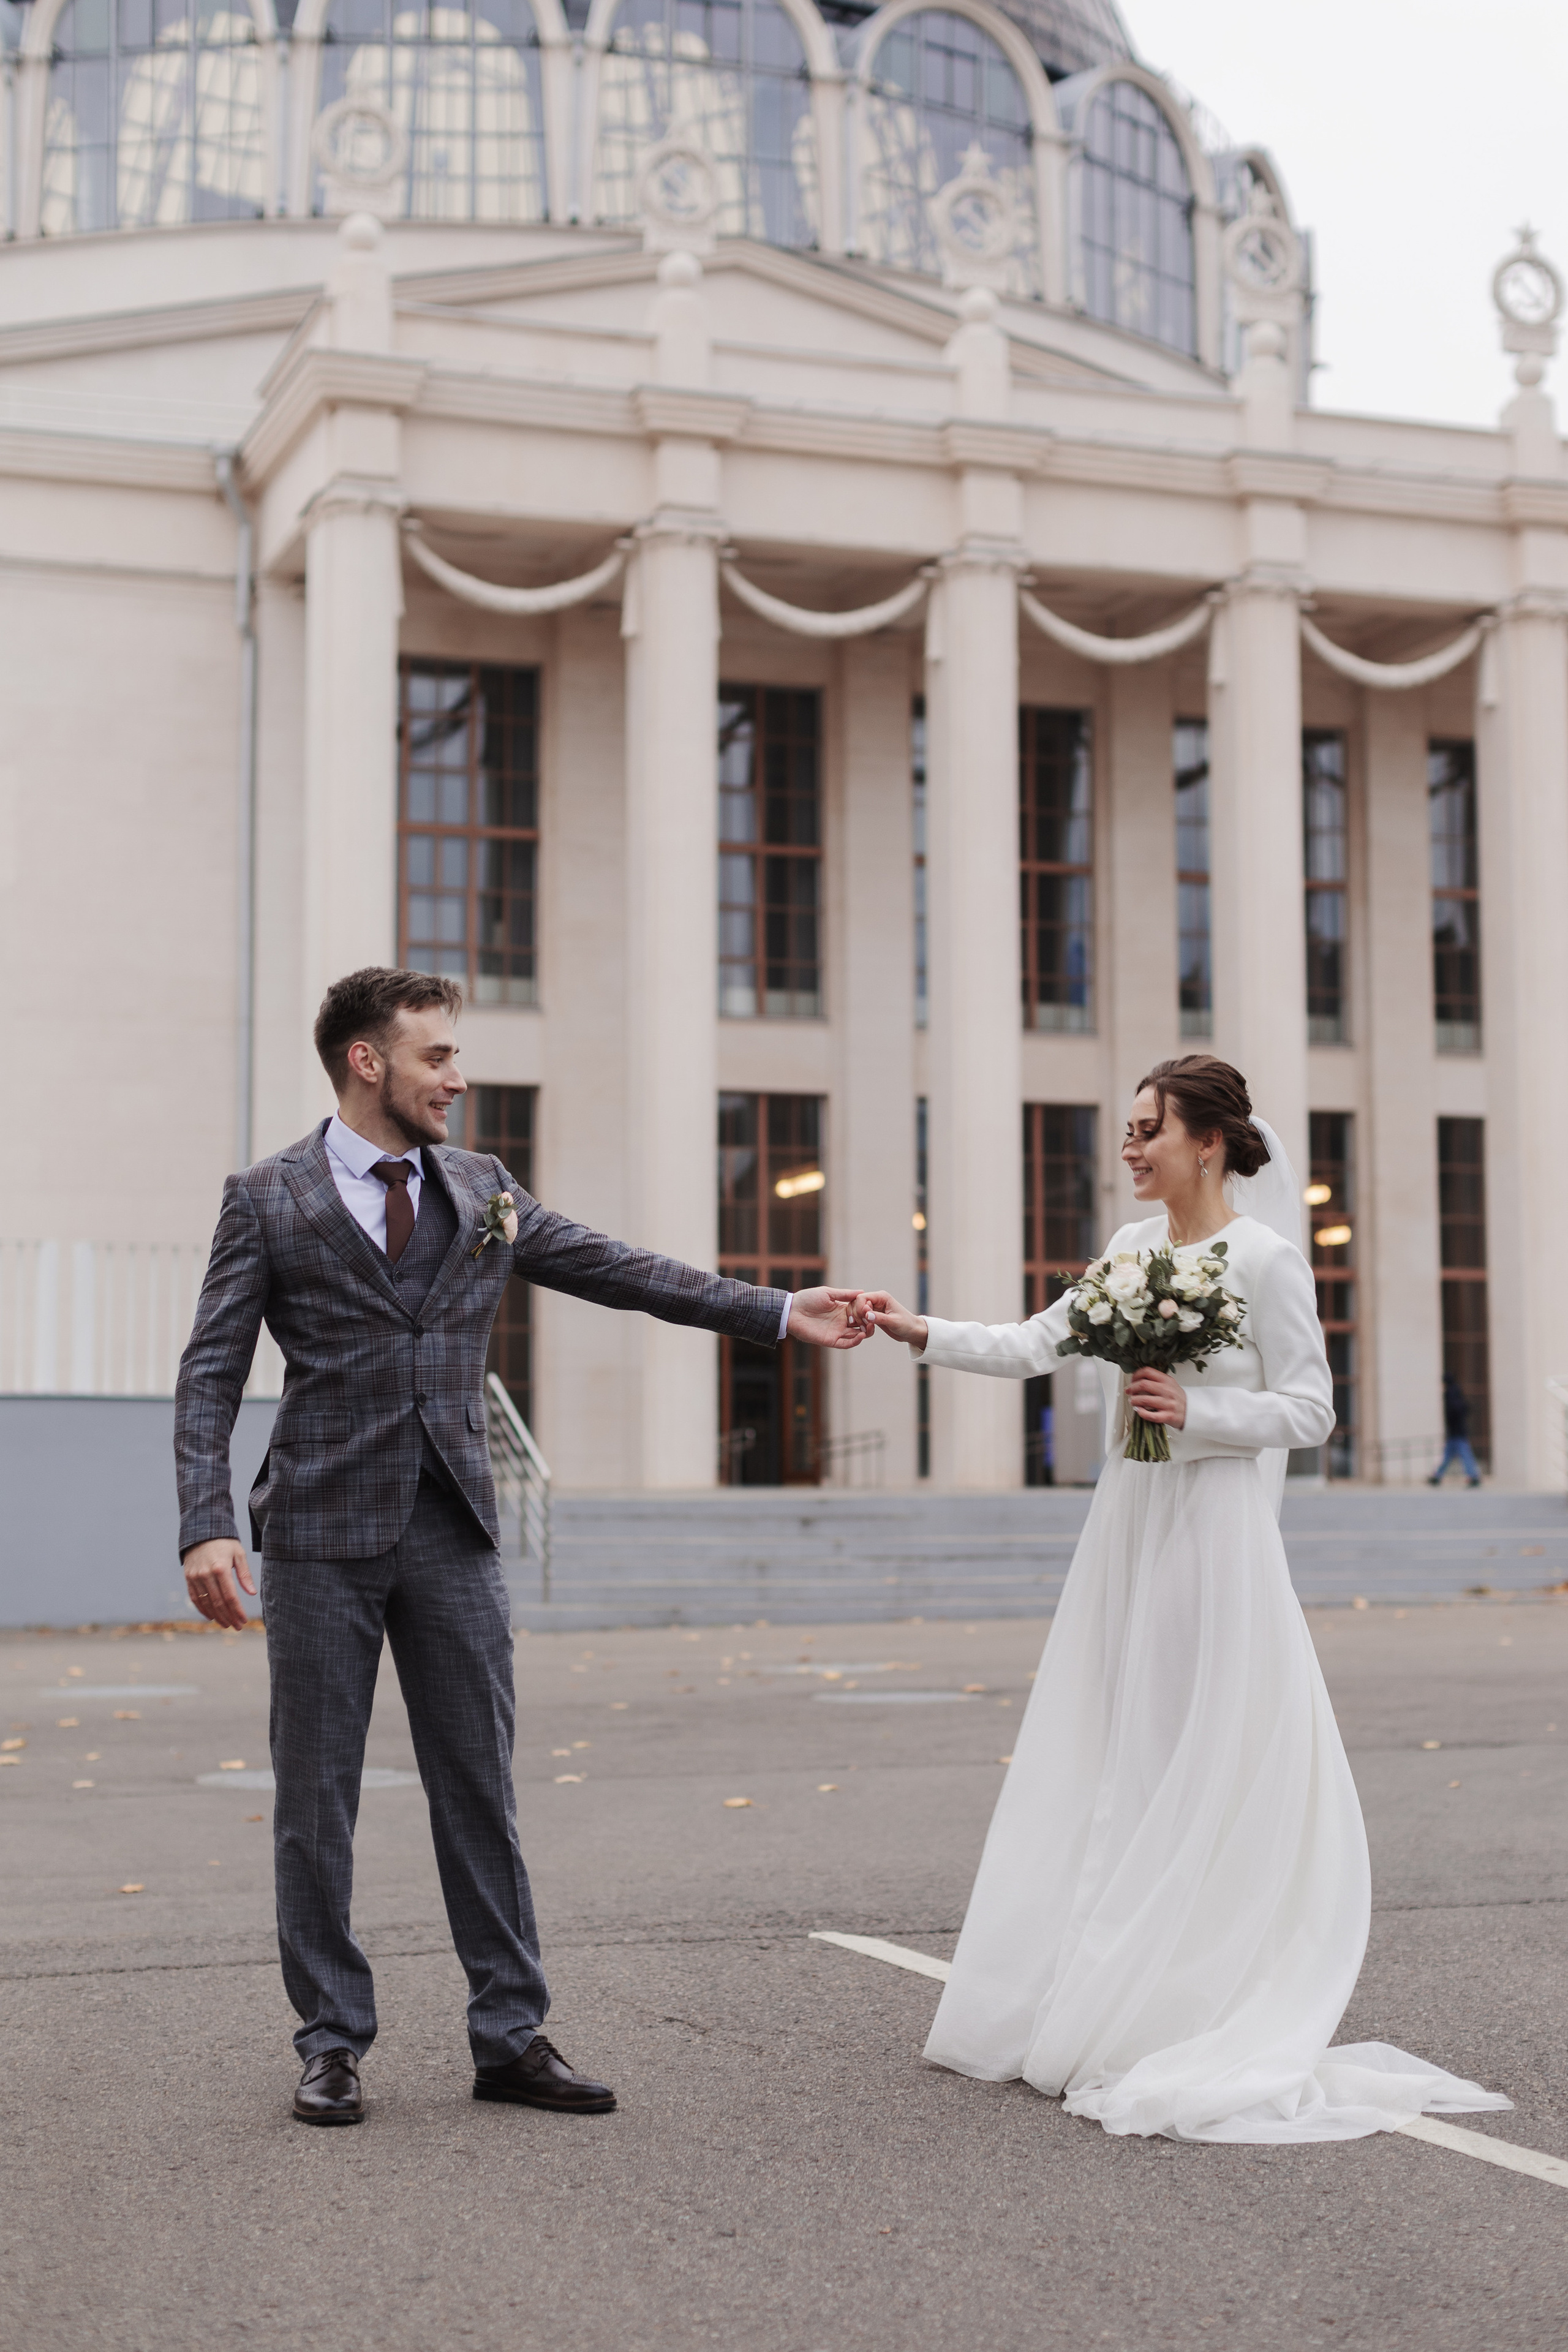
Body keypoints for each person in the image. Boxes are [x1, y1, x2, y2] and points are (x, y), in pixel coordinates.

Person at [176, 967, 869, 2127]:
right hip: (319, 1537)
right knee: (315, 1801)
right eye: (437, 1055)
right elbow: (210, 1375)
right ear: (366, 1062)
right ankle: (332, 2039)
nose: (458, 1075)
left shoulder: (484, 1187)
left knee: (480, 1792)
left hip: (451, 1529)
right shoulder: (267, 1198)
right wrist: (203, 1520)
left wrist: (776, 1310)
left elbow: (616, 1267)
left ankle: (509, 2035)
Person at [853, 1054, 1510, 2144]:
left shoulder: (1264, 1257)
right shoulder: (1127, 1251)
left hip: (1215, 1528)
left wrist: (1197, 1413)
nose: (1131, 1146)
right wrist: (915, 1329)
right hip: (1132, 1519)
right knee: (1124, 1739)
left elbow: (1310, 1411)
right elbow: (1033, 1343)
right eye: (1128, 1128)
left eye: (1149, 1129)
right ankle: (1107, 1981)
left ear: (1208, 1141)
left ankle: (1185, 1994)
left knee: (1196, 1741)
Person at [1430, 1371, 1482, 1487]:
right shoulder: (1457, 1391)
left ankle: (1473, 1476)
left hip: (1457, 1431)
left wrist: (1452, 1422)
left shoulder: (1451, 1393)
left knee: (1464, 1454)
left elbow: (1454, 1411)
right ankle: (1437, 1476)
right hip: (1457, 1431)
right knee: (1449, 1455)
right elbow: (1465, 1408)